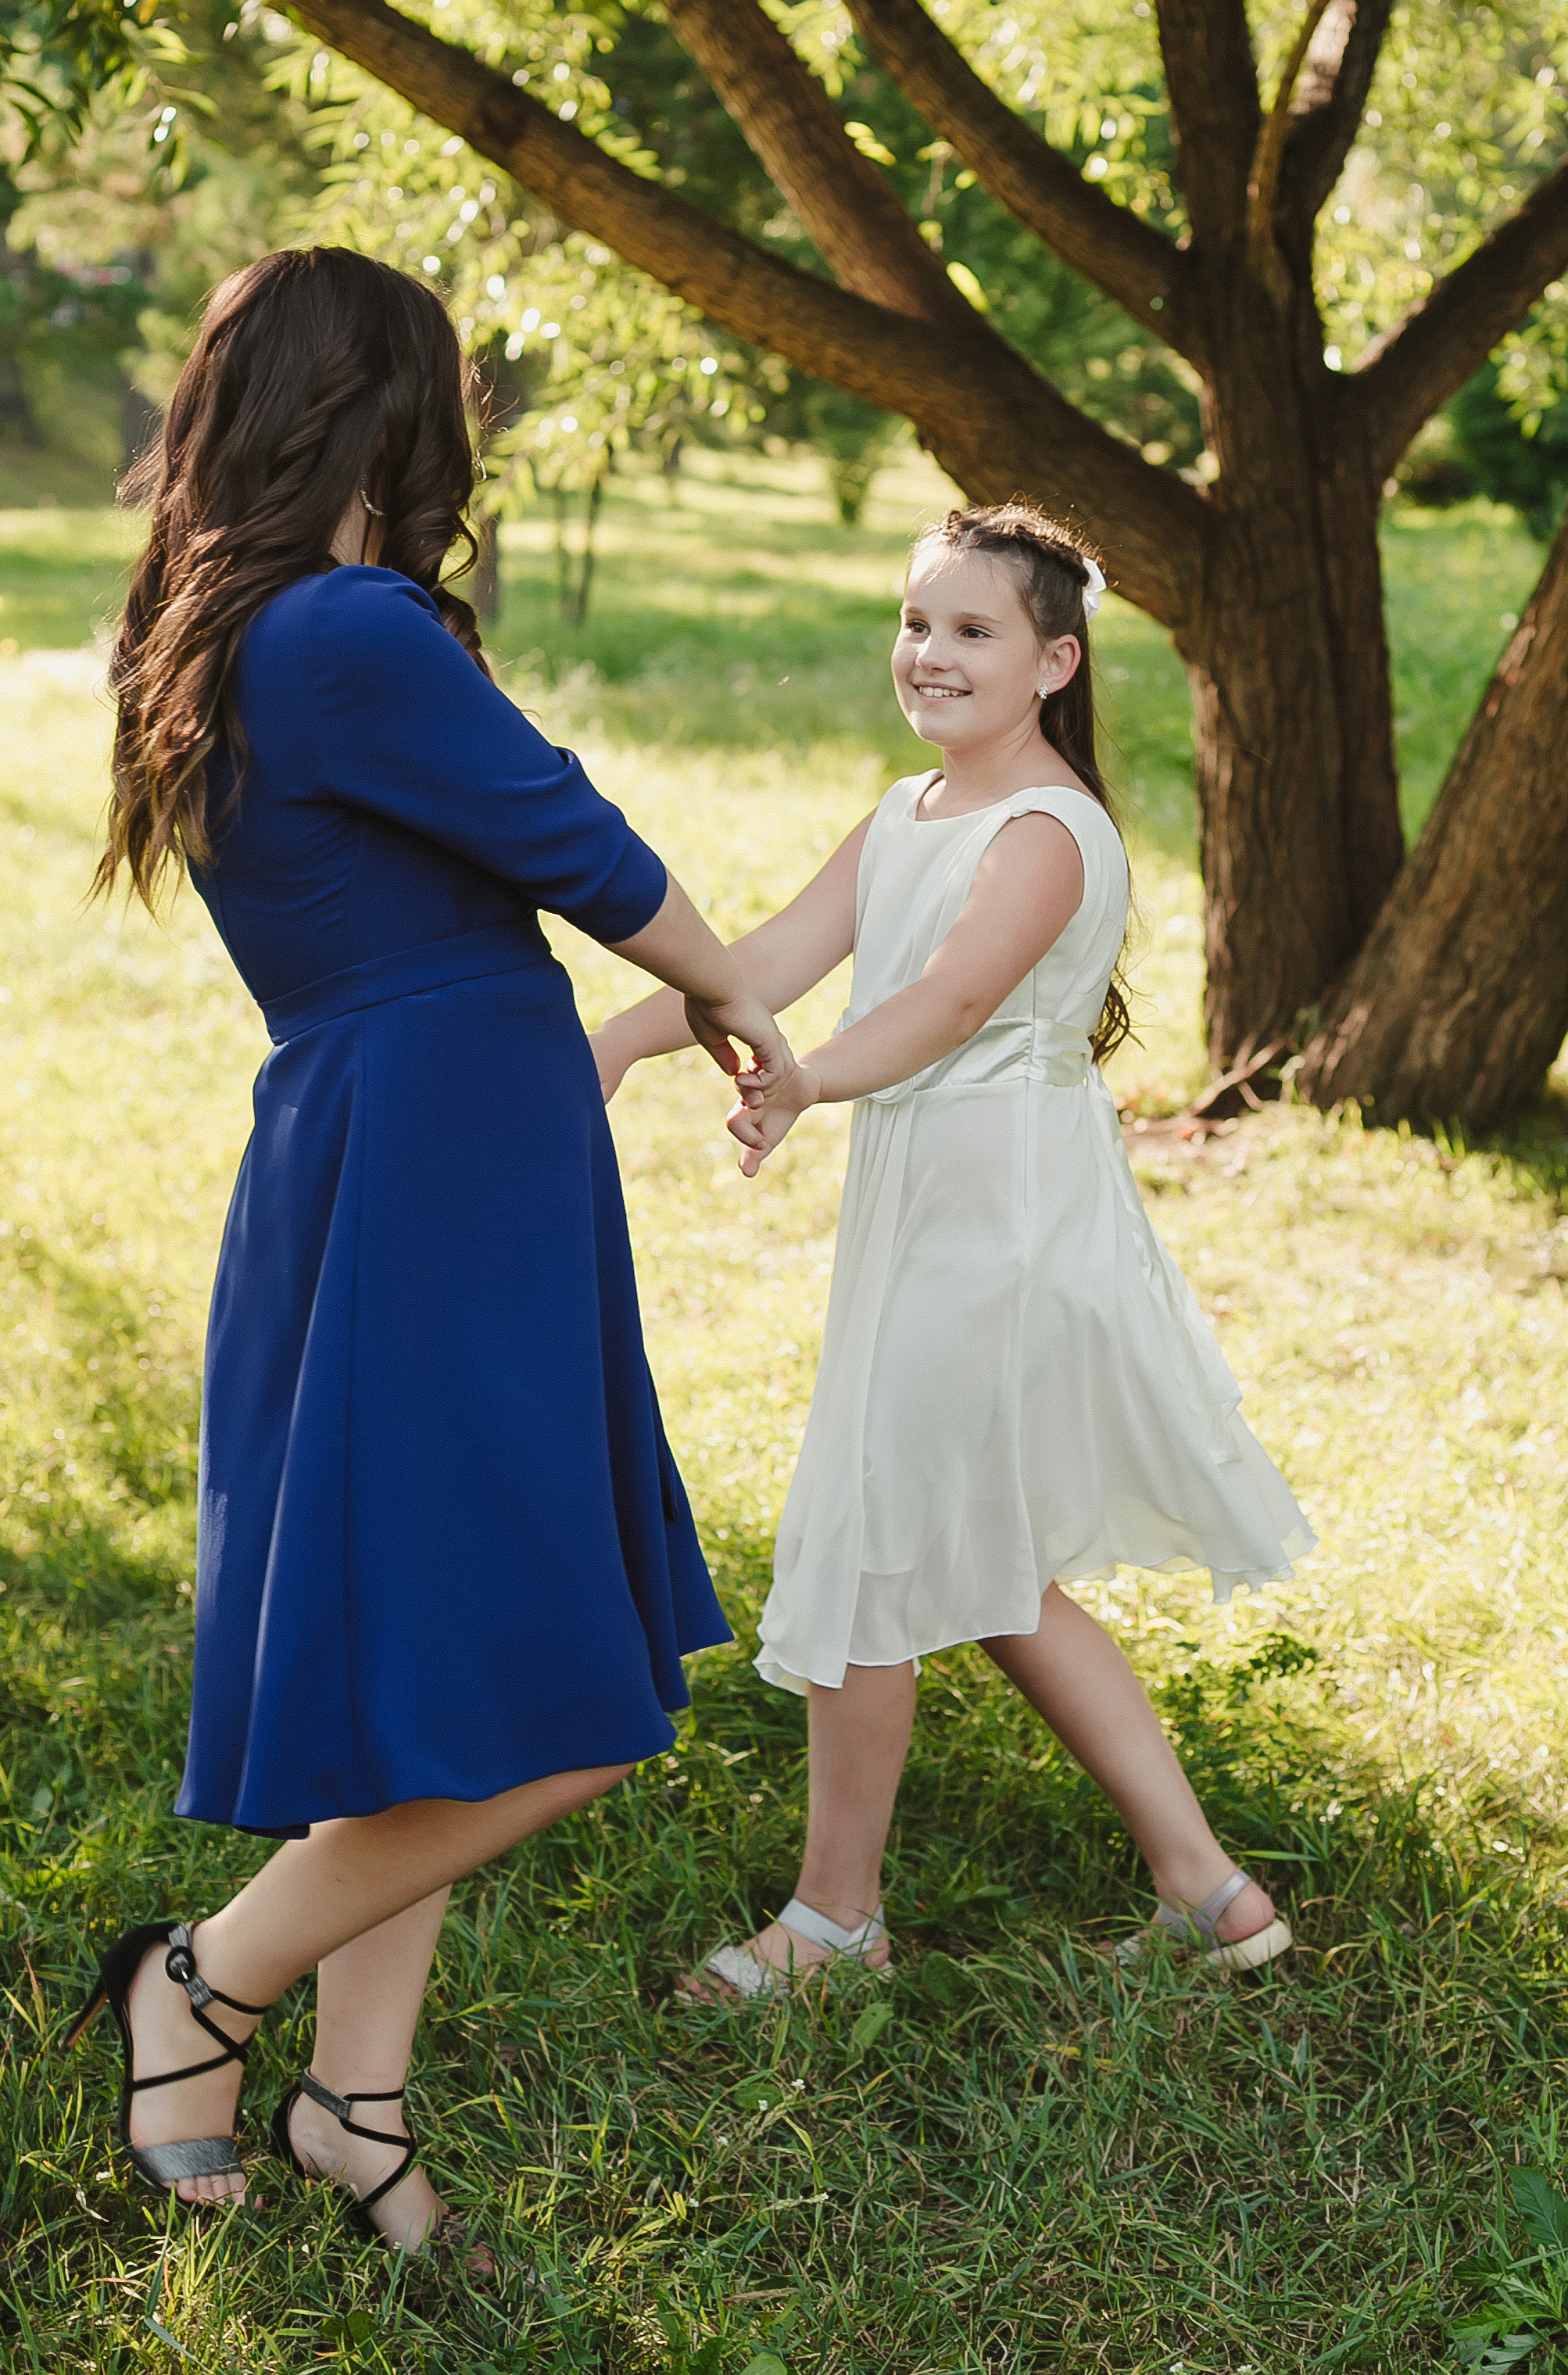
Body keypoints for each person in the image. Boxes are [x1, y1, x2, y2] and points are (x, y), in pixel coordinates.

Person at [63, 246, 792, 2251]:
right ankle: (202, 1984)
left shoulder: (246, 629)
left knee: (440, 1660)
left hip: (428, 1133)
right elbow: (574, 836)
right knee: (558, 1696)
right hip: (428, 1149)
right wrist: (738, 1001)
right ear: (386, 403)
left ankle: (354, 2111)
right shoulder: (346, 632)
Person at [590, 503, 1316, 2002]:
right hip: (932, 1206)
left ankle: (832, 1923)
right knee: (978, 1565)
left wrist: (807, 1081)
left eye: (974, 630)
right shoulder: (904, 811)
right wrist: (618, 1039)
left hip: (1006, 1220)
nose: (932, 652)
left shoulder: (1048, 831)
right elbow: (770, 964)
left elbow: (946, 1008)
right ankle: (1214, 1897)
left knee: (877, 1532)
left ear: (1054, 660)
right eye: (917, 622)